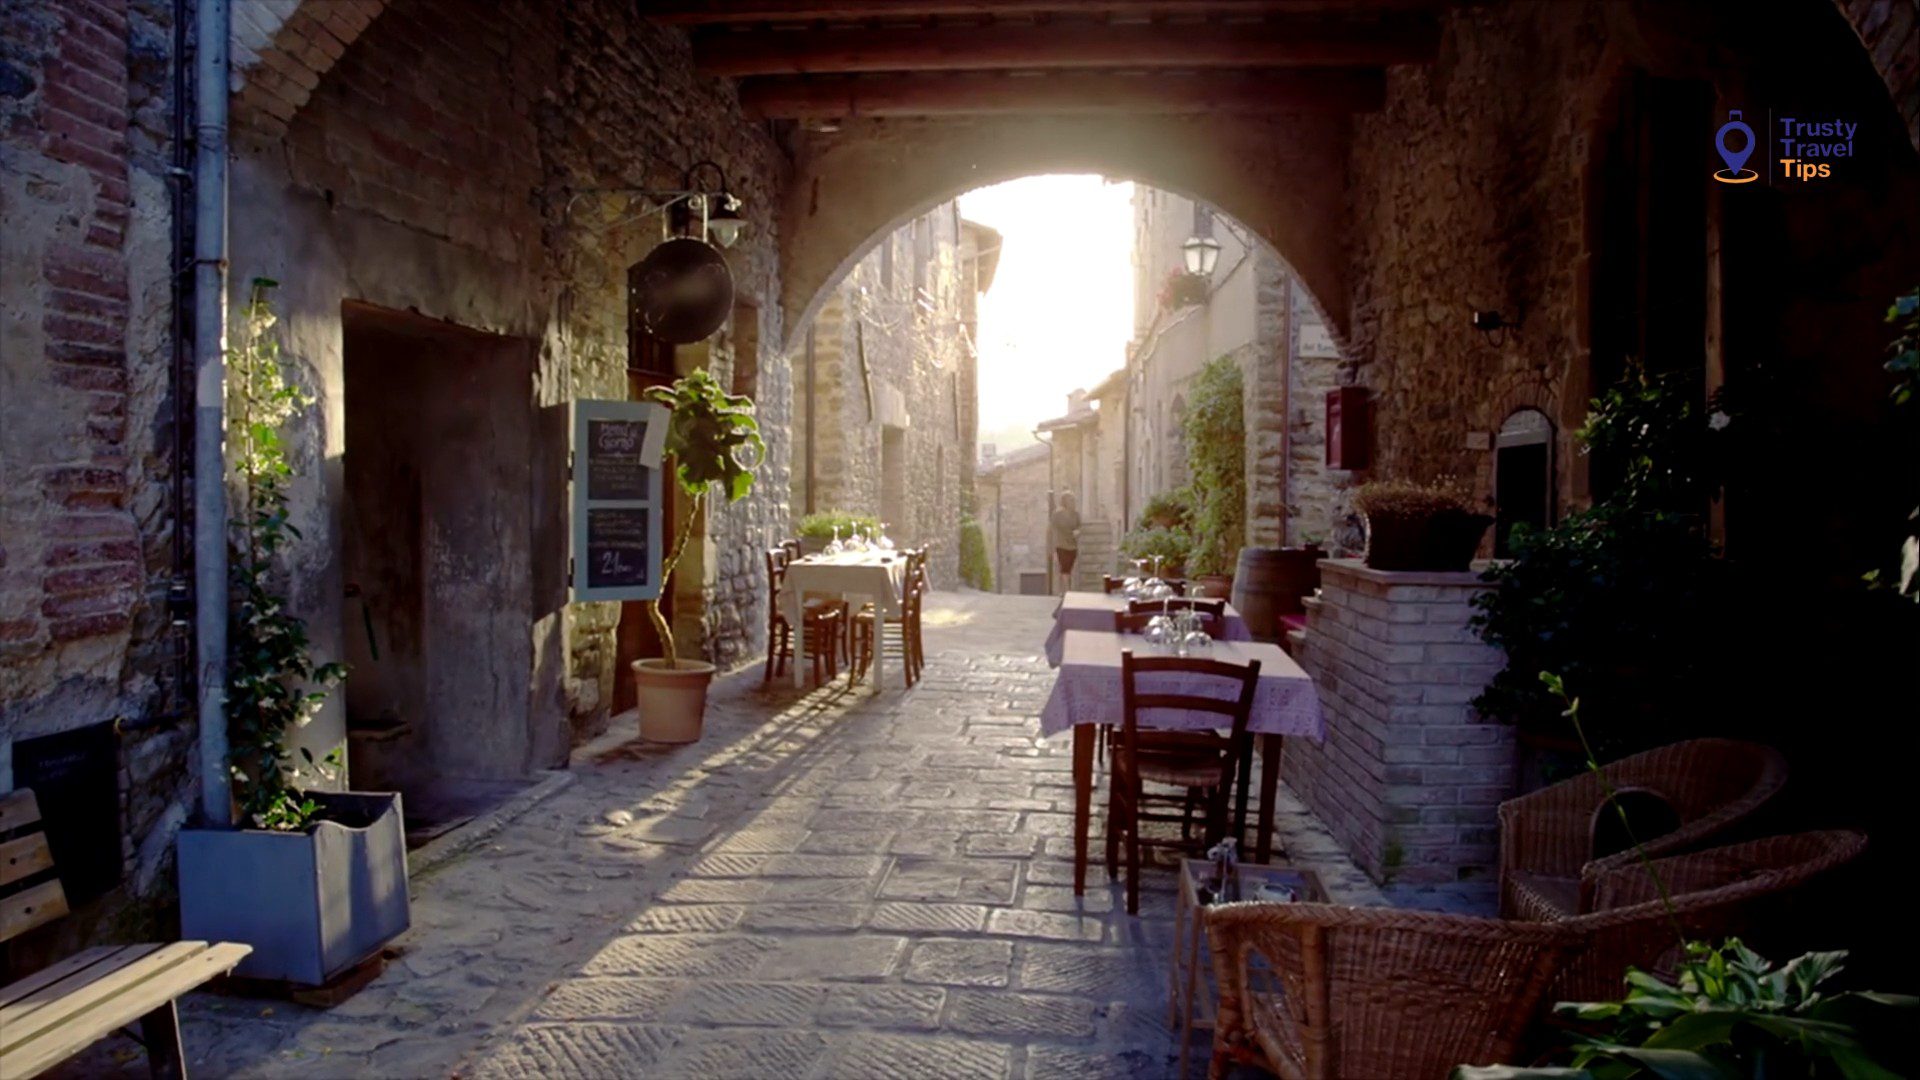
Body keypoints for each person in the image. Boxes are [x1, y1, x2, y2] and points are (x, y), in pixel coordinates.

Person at [1051, 493, 1082, 589]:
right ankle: (1067, 590)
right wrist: (1050, 546)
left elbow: (1080, 526)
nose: (1073, 502)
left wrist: (1078, 531)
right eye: (1070, 500)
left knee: (1069, 568)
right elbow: (1051, 528)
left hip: (1072, 545)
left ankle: (1065, 588)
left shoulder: (1076, 514)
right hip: (1061, 544)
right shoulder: (1057, 514)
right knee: (1065, 568)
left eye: (1073, 500)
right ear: (1065, 502)